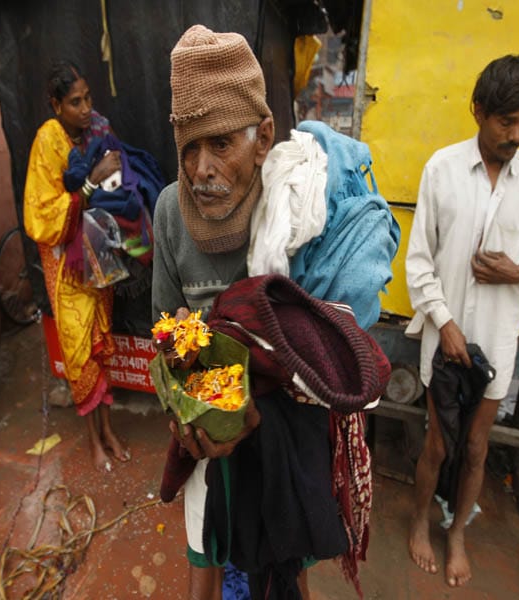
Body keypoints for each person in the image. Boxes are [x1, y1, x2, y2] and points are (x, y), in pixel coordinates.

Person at [152, 25, 399, 600]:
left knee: (286, 574)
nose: (201, 169)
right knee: (203, 563)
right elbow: (168, 329)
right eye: (189, 148)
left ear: (263, 137)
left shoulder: (295, 207)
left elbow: (313, 346)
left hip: (284, 441)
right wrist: (188, 410)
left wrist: (261, 411)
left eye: (220, 144)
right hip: (210, 434)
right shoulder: (170, 212)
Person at [405, 54, 519, 587]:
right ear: (478, 111)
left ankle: (456, 534)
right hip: (443, 336)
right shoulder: (442, 169)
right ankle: (418, 523)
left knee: (477, 447)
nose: (517, 134)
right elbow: (419, 261)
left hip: (497, 343)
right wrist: (445, 322)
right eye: (507, 122)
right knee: (437, 444)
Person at [23, 60, 131, 472]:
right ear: (56, 105)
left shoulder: (96, 132)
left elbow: (117, 179)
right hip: (65, 266)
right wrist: (91, 181)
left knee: (101, 346)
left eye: (87, 98)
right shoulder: (47, 142)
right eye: (74, 102)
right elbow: (41, 213)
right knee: (78, 352)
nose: (85, 108)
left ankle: (109, 430)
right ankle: (94, 441)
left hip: (96, 253)